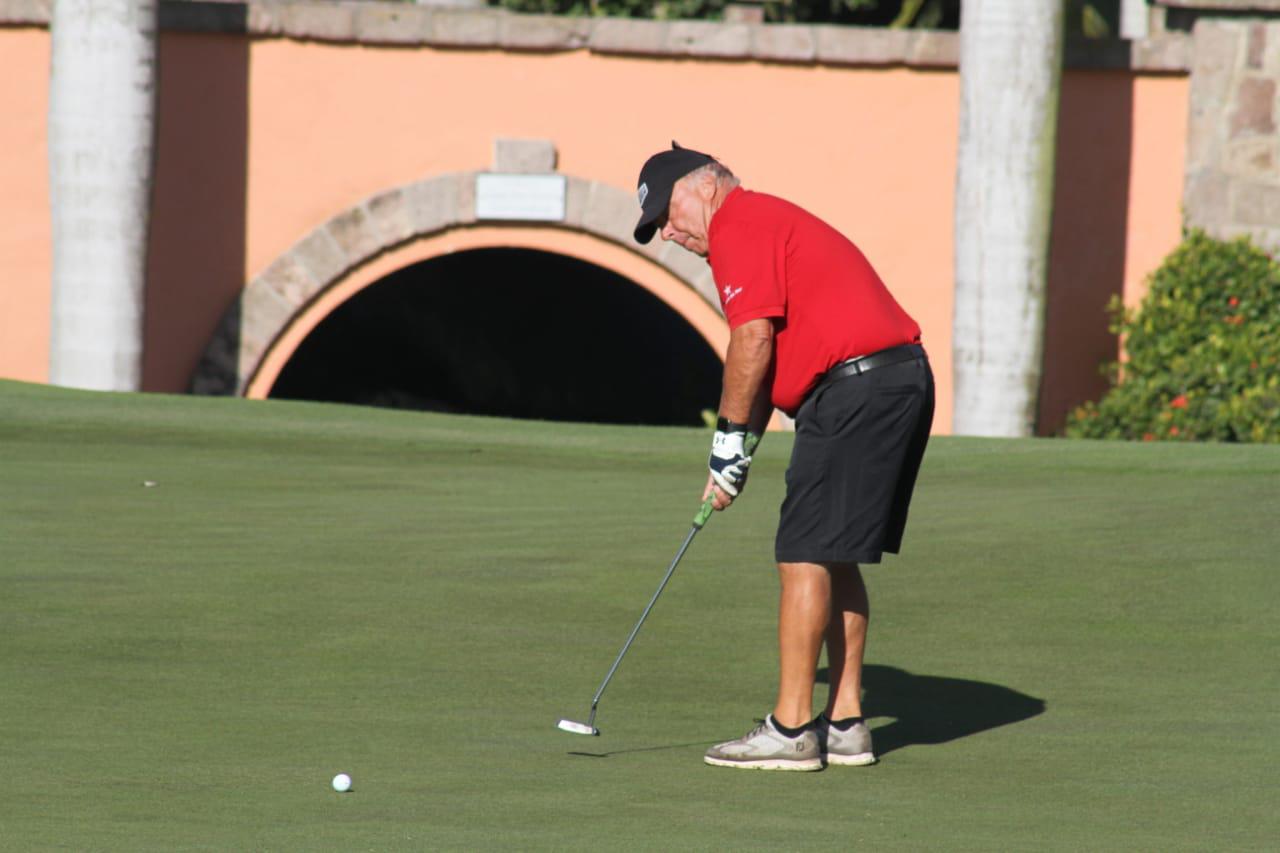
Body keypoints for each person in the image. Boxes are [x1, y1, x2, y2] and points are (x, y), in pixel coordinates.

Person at [632, 142, 934, 771]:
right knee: (833, 554)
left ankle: (792, 728)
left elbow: (751, 340)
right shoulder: (763, 222)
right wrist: (737, 456)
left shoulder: (738, 222)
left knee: (802, 553)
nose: (667, 232)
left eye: (667, 212)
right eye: (657, 225)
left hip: (855, 387)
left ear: (707, 186)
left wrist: (725, 440)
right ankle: (845, 724)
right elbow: (768, 366)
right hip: (893, 380)